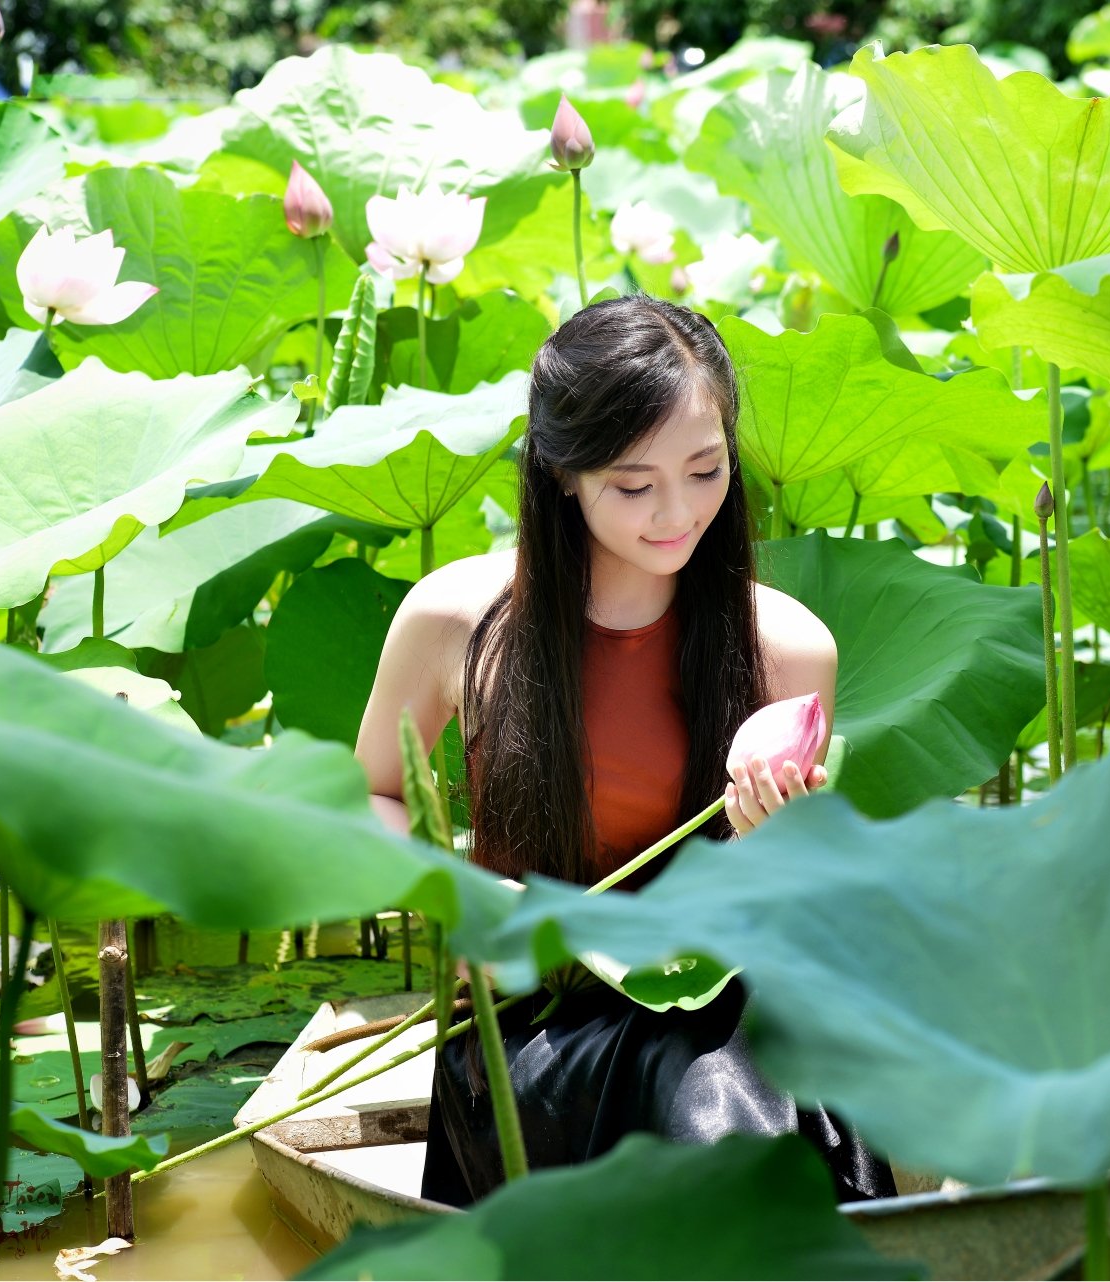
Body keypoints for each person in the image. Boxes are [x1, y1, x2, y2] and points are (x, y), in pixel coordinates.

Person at [352, 294, 897, 1207]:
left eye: (706, 470)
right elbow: (366, 796)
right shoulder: (459, 621)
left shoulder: (790, 648)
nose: (676, 515)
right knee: (693, 1089)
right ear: (563, 475)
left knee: (729, 1069)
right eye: (634, 486)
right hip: (536, 1019)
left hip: (730, 1023)